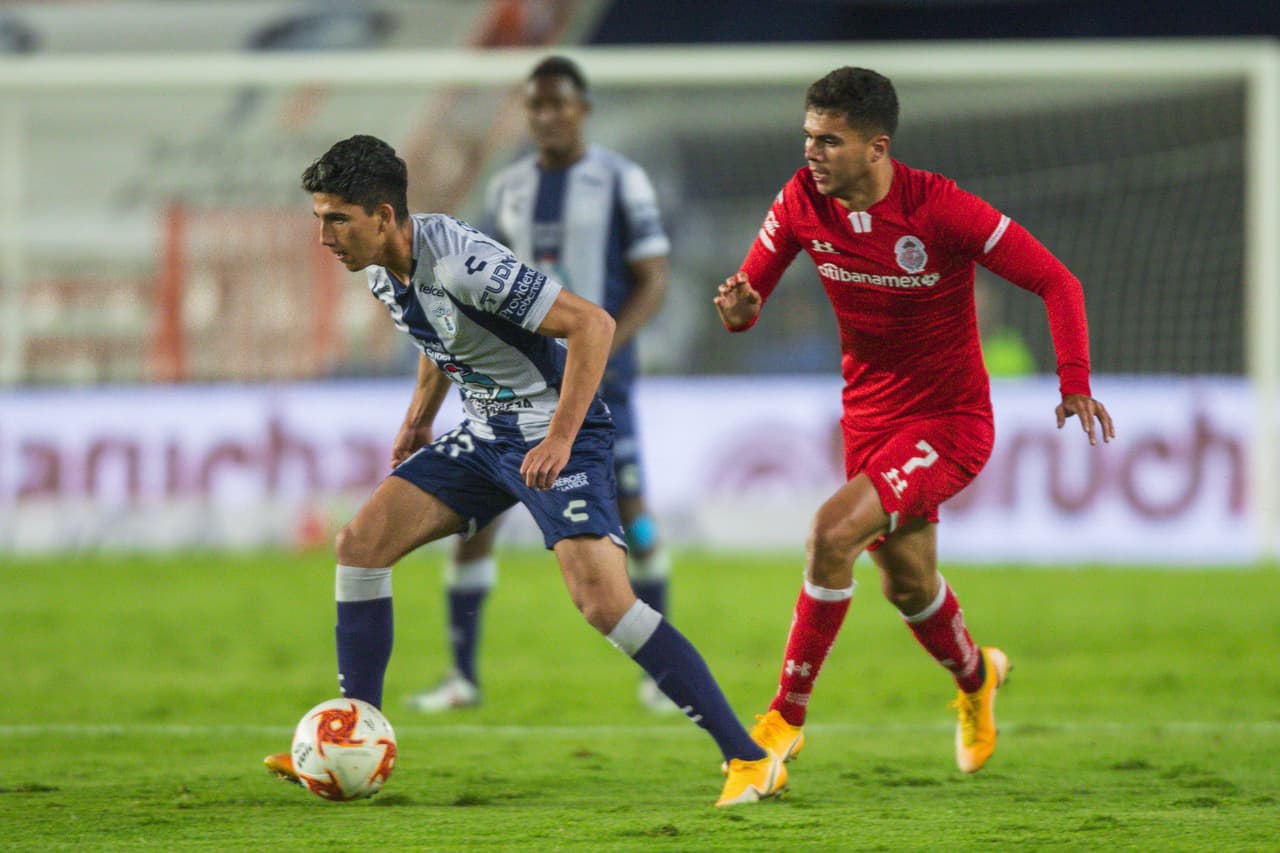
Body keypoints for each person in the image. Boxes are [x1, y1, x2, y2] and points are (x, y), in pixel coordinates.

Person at [263, 134, 785, 806]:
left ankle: (750, 758)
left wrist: (562, 437)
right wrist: (420, 415)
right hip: (486, 435)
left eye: (338, 219)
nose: (326, 236)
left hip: (555, 433)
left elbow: (591, 325)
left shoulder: (464, 263)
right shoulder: (377, 270)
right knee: (359, 544)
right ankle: (351, 736)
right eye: (319, 220)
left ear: (385, 216)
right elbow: (438, 337)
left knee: (602, 601)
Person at [714, 67, 1114, 777]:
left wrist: (1074, 380)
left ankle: (781, 721)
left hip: (949, 420)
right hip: (868, 420)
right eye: (808, 136)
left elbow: (1059, 280)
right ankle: (976, 678)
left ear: (877, 147)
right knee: (908, 584)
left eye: (829, 141)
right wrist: (741, 311)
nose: (811, 153)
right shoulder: (802, 199)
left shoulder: (939, 208)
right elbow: (749, 299)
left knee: (829, 533)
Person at [406, 56, 676, 715]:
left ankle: (661, 676)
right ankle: (462, 674)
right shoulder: (509, 186)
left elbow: (653, 277)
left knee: (633, 516)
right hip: (518, 383)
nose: (549, 115)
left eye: (560, 104)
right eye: (537, 105)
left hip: (601, 378)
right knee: (478, 520)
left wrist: (615, 348)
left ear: (583, 109)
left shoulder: (620, 179)